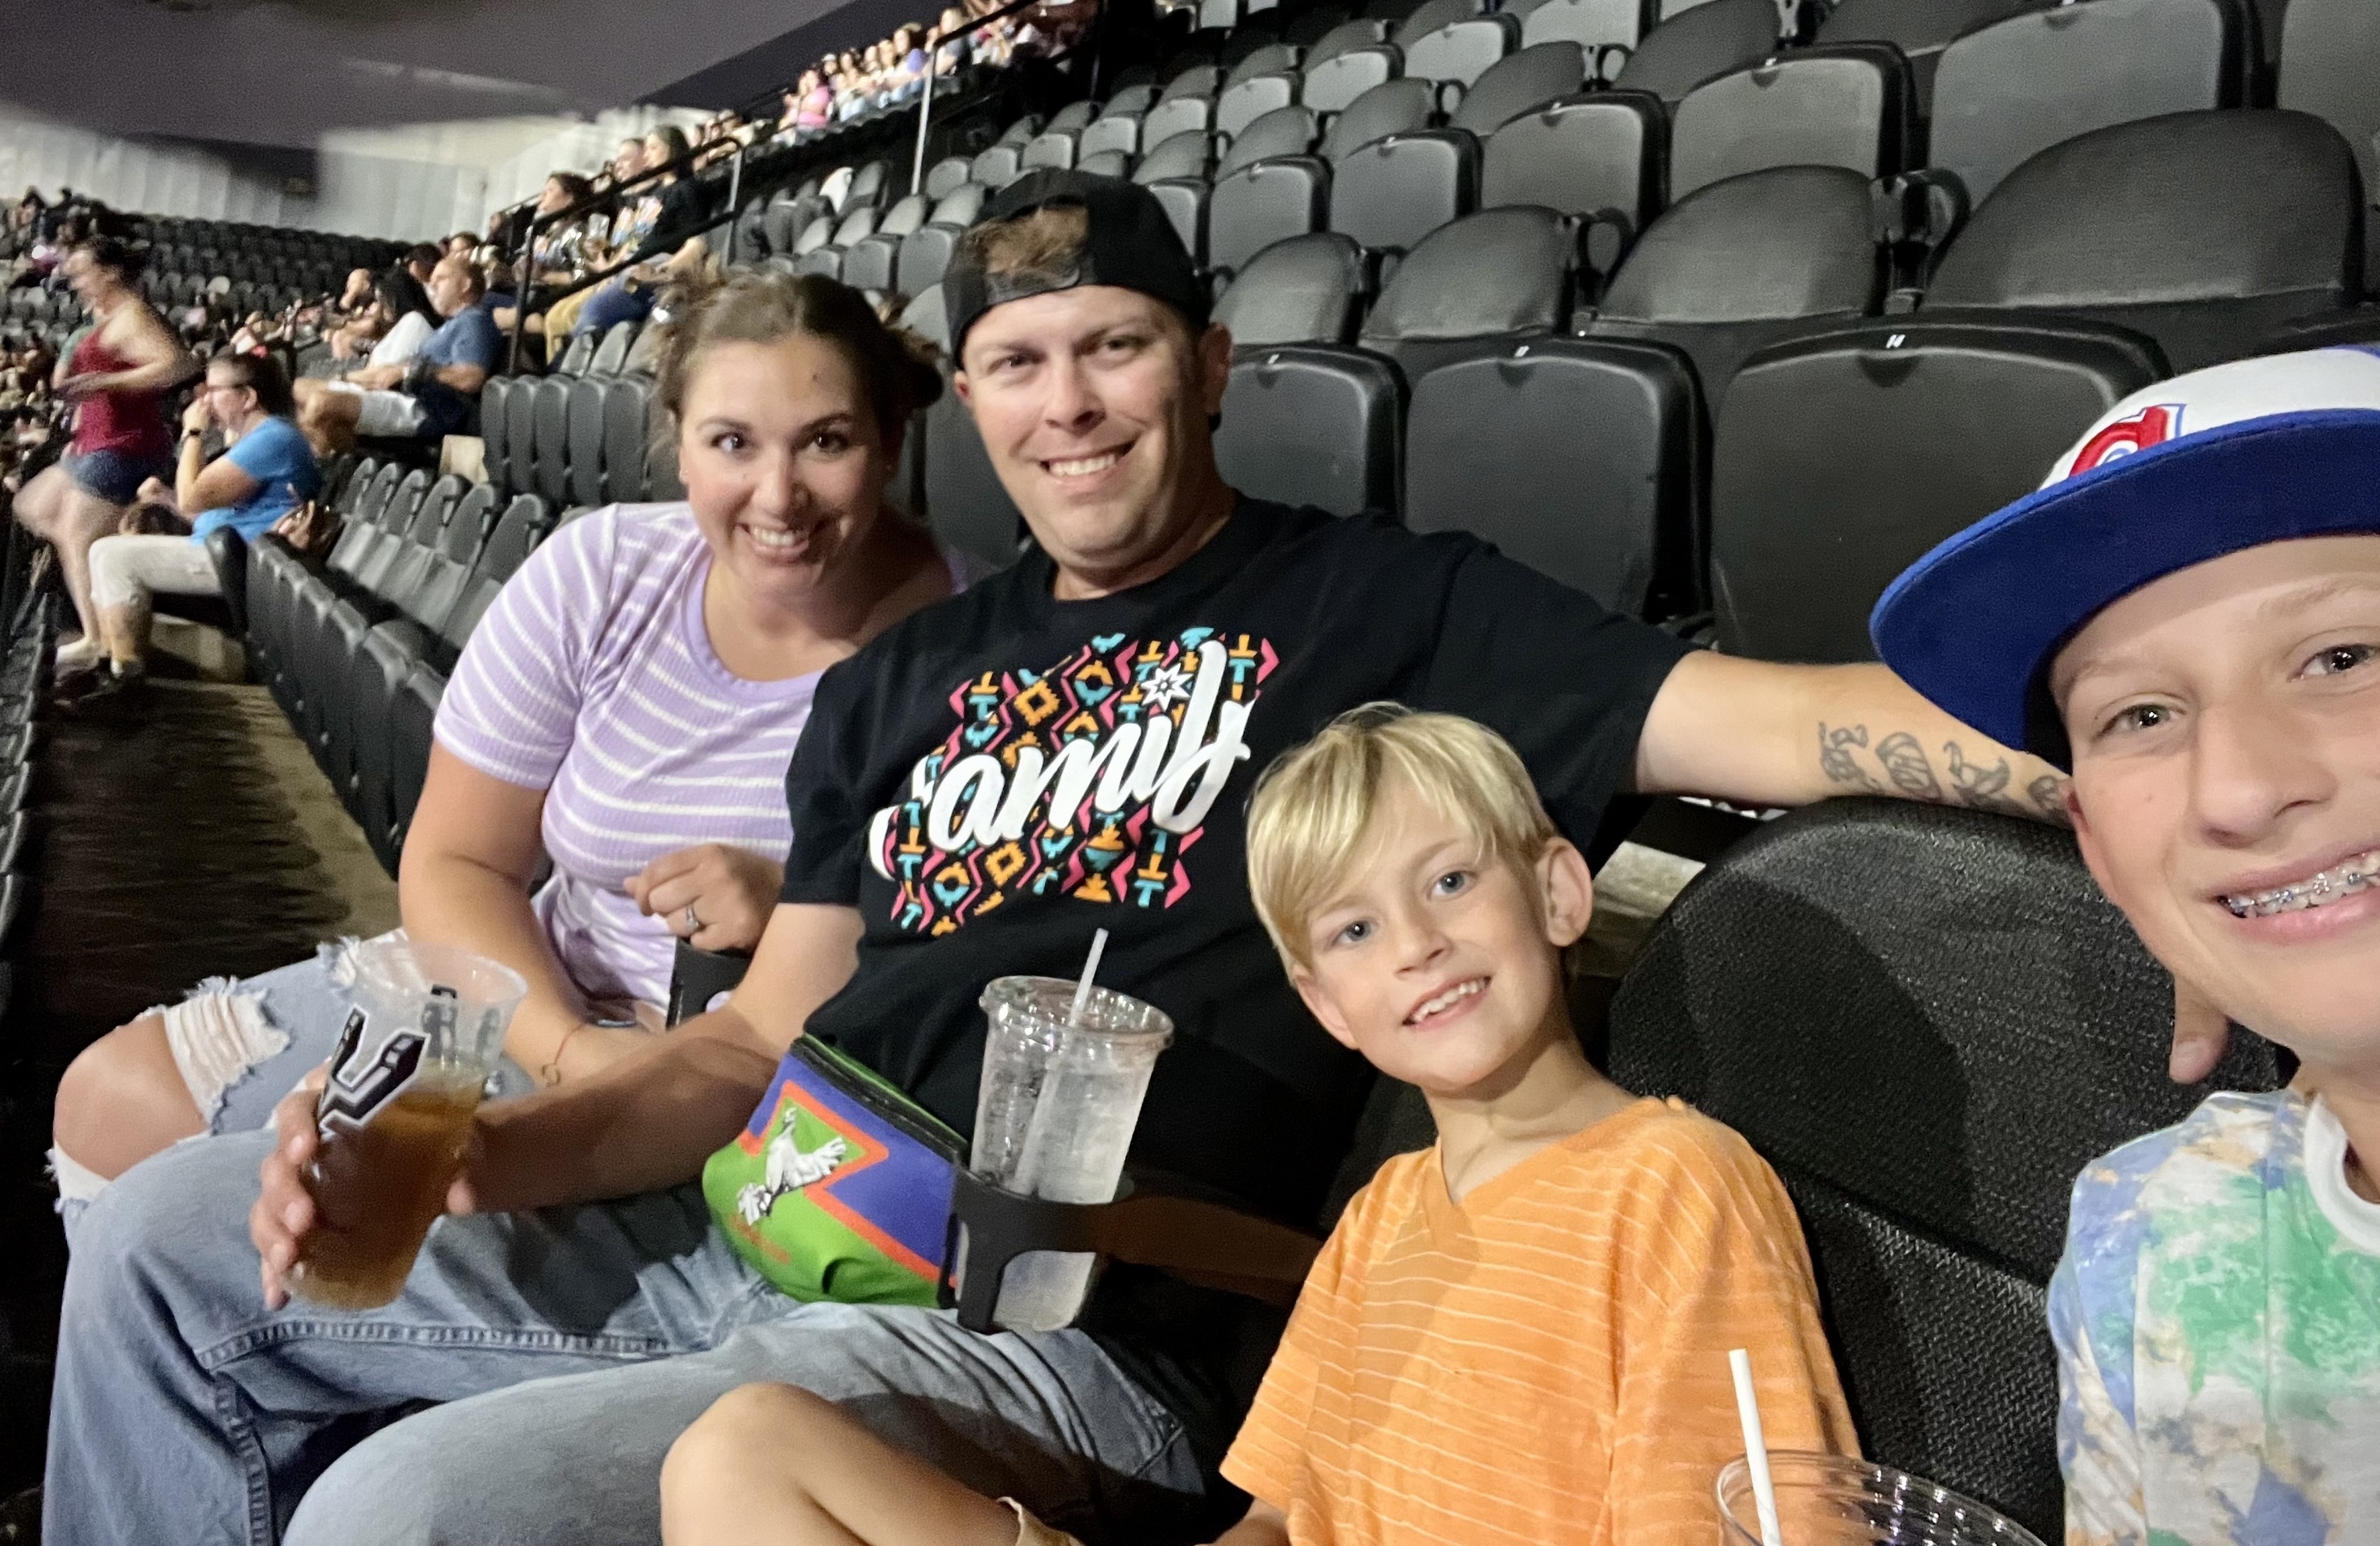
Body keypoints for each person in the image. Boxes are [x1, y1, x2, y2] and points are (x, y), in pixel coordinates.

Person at [50, 171, 2070, 1546]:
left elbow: (1778, 723)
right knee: (159, 1250)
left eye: (1114, 348)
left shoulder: (1387, 604)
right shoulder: (903, 675)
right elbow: (747, 1047)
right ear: (972, 402)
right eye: (1019, 362)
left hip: (1059, 1328)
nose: (1068, 404)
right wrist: (492, 1155)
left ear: (1208, 365)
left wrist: (2138, 756)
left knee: (394, 1514)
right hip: (757, 1213)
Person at [660, 705, 1858, 1546]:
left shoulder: (1674, 1181)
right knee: (744, 1448)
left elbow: (1752, 1520)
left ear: (1556, 889)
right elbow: (1280, 1518)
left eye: (1450, 881)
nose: (1416, 944)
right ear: (1325, 1005)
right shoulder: (1384, 1214)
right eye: (1353, 930)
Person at [46, 268, 970, 1213]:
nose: (777, 496)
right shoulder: (606, 569)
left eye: (826, 442)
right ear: (680, 444)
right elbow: (460, 859)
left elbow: (966, 969)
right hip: (529, 989)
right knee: (107, 1104)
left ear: (892, 441)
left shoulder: (980, 653)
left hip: (727, 1084)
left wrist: (800, 901)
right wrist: (566, 1046)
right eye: (732, 442)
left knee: (206, 1225)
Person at [1870, 348, 2380, 1546]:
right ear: (2099, 848)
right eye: (2140, 714)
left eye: (2343, 656)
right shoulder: (2149, 1237)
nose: (2237, 789)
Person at [59, 352, 319, 700]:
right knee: (105, 552)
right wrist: (167, 499)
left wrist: (193, 432)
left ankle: (125, 678)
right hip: (228, 549)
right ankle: (111, 663)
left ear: (248, 397)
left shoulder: (273, 437)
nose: (204, 401)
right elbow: (212, 513)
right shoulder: (260, 438)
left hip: (247, 562)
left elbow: (193, 499)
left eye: (213, 390)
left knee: (114, 558)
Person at [12, 236, 194, 677]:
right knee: (34, 506)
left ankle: (102, 641)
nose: (75, 281)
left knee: (79, 540)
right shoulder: (110, 316)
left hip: (124, 445)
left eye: (82, 272)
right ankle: (105, 632)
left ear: (110, 272)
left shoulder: (133, 314)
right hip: (95, 442)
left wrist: (104, 383)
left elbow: (176, 365)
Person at [294, 254, 499, 452]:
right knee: (298, 388)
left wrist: (410, 371)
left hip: (422, 409)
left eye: (441, 279)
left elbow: (471, 377)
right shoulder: (454, 324)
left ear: (465, 285)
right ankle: (330, 458)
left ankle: (311, 465)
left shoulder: (475, 320)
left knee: (321, 403)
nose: (432, 286)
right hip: (400, 395)